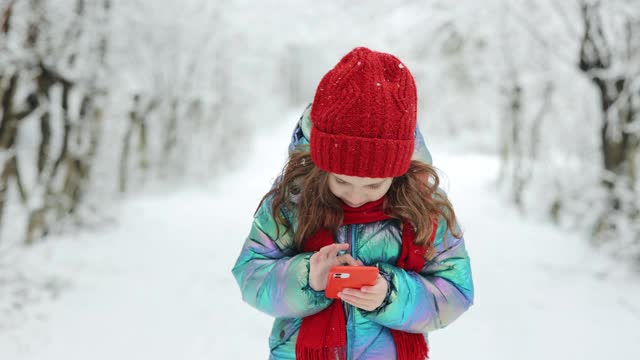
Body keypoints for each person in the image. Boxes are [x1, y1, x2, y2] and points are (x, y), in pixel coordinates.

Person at [232, 46, 474, 360]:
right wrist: (308, 277)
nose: (356, 196)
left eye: (374, 185)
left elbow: (455, 291)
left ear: (399, 171)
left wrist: (390, 295)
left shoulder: (425, 209)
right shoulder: (293, 201)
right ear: (321, 166)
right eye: (342, 181)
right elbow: (251, 273)